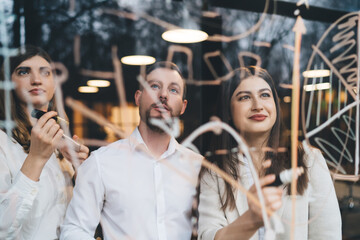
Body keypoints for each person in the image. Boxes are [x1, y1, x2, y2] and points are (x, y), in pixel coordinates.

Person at [60, 61, 203, 240]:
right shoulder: (101, 162)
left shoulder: (199, 167)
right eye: (154, 86)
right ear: (138, 97)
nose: (163, 94)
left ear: (183, 106)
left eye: (173, 90)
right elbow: (74, 230)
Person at [197, 66, 342, 240]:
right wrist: (251, 219)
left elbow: (327, 234)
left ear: (275, 105)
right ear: (228, 111)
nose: (258, 106)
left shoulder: (309, 160)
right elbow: (208, 236)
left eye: (265, 95)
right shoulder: (214, 169)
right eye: (244, 97)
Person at [0, 45, 89, 239]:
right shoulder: (2, 143)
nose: (36, 80)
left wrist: (81, 172)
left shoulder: (61, 143)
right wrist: (36, 158)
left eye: (45, 72)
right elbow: (3, 227)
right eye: (23, 72)